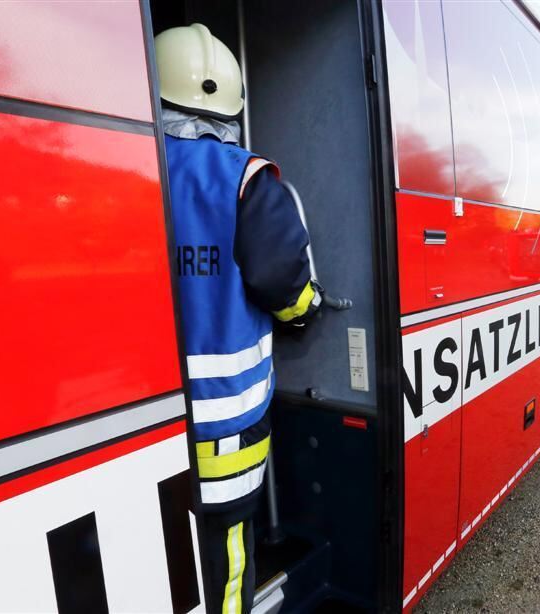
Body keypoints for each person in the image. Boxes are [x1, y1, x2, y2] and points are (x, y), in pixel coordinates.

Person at [155, 23, 320, 614]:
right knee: (227, 569)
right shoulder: (245, 177)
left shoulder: (124, 170)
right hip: (224, 434)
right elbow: (287, 286)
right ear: (231, 106)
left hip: (145, 432)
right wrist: (308, 308)